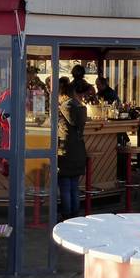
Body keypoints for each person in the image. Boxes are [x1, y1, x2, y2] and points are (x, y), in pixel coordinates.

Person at [57, 77, 87, 220]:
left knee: (65, 186)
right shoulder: (80, 106)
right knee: (74, 185)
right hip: (79, 149)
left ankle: (67, 216)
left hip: (66, 149)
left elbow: (67, 123)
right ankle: (75, 215)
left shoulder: (65, 106)